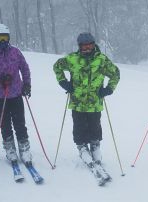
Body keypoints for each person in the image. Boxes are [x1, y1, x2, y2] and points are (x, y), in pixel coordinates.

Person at [53, 32, 120, 167]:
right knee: (79, 126)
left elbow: (115, 74)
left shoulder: (101, 59)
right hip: (77, 103)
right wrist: (63, 82)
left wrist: (109, 89)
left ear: (94, 45)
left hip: (95, 102)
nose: (87, 49)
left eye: (89, 46)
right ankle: (82, 146)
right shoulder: (72, 59)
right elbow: (57, 67)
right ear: (80, 47)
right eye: (84, 47)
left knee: (95, 126)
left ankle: (95, 146)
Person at [0, 24, 32, 166]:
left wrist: (27, 84)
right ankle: (10, 149)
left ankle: (24, 148)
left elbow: (24, 68)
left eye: (5, 37)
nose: (3, 40)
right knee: (5, 124)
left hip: (15, 93)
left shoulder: (15, 52)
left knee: (20, 123)